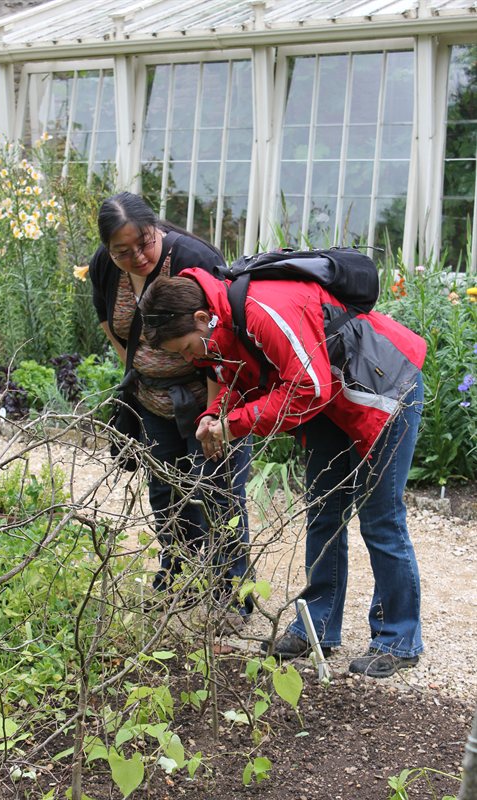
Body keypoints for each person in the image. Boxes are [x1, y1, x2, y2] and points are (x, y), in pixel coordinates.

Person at [139, 267, 427, 678]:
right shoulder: (223, 324)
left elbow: (308, 387)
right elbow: (241, 378)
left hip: (383, 388)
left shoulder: (261, 309)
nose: (189, 359)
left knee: (381, 520)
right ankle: (317, 627)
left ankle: (398, 639)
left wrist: (234, 425)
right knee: (323, 514)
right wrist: (213, 415)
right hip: (333, 402)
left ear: (201, 318)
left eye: (185, 348)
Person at [88, 192, 252, 623]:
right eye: (123, 251)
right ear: (108, 249)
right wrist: (139, 369)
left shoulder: (193, 258)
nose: (137, 256)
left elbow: (223, 338)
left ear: (155, 227)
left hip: (207, 393)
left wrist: (214, 416)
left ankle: (232, 591)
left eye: (143, 242)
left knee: (216, 490)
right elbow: (107, 319)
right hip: (151, 400)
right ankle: (179, 577)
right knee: (166, 491)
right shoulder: (106, 265)